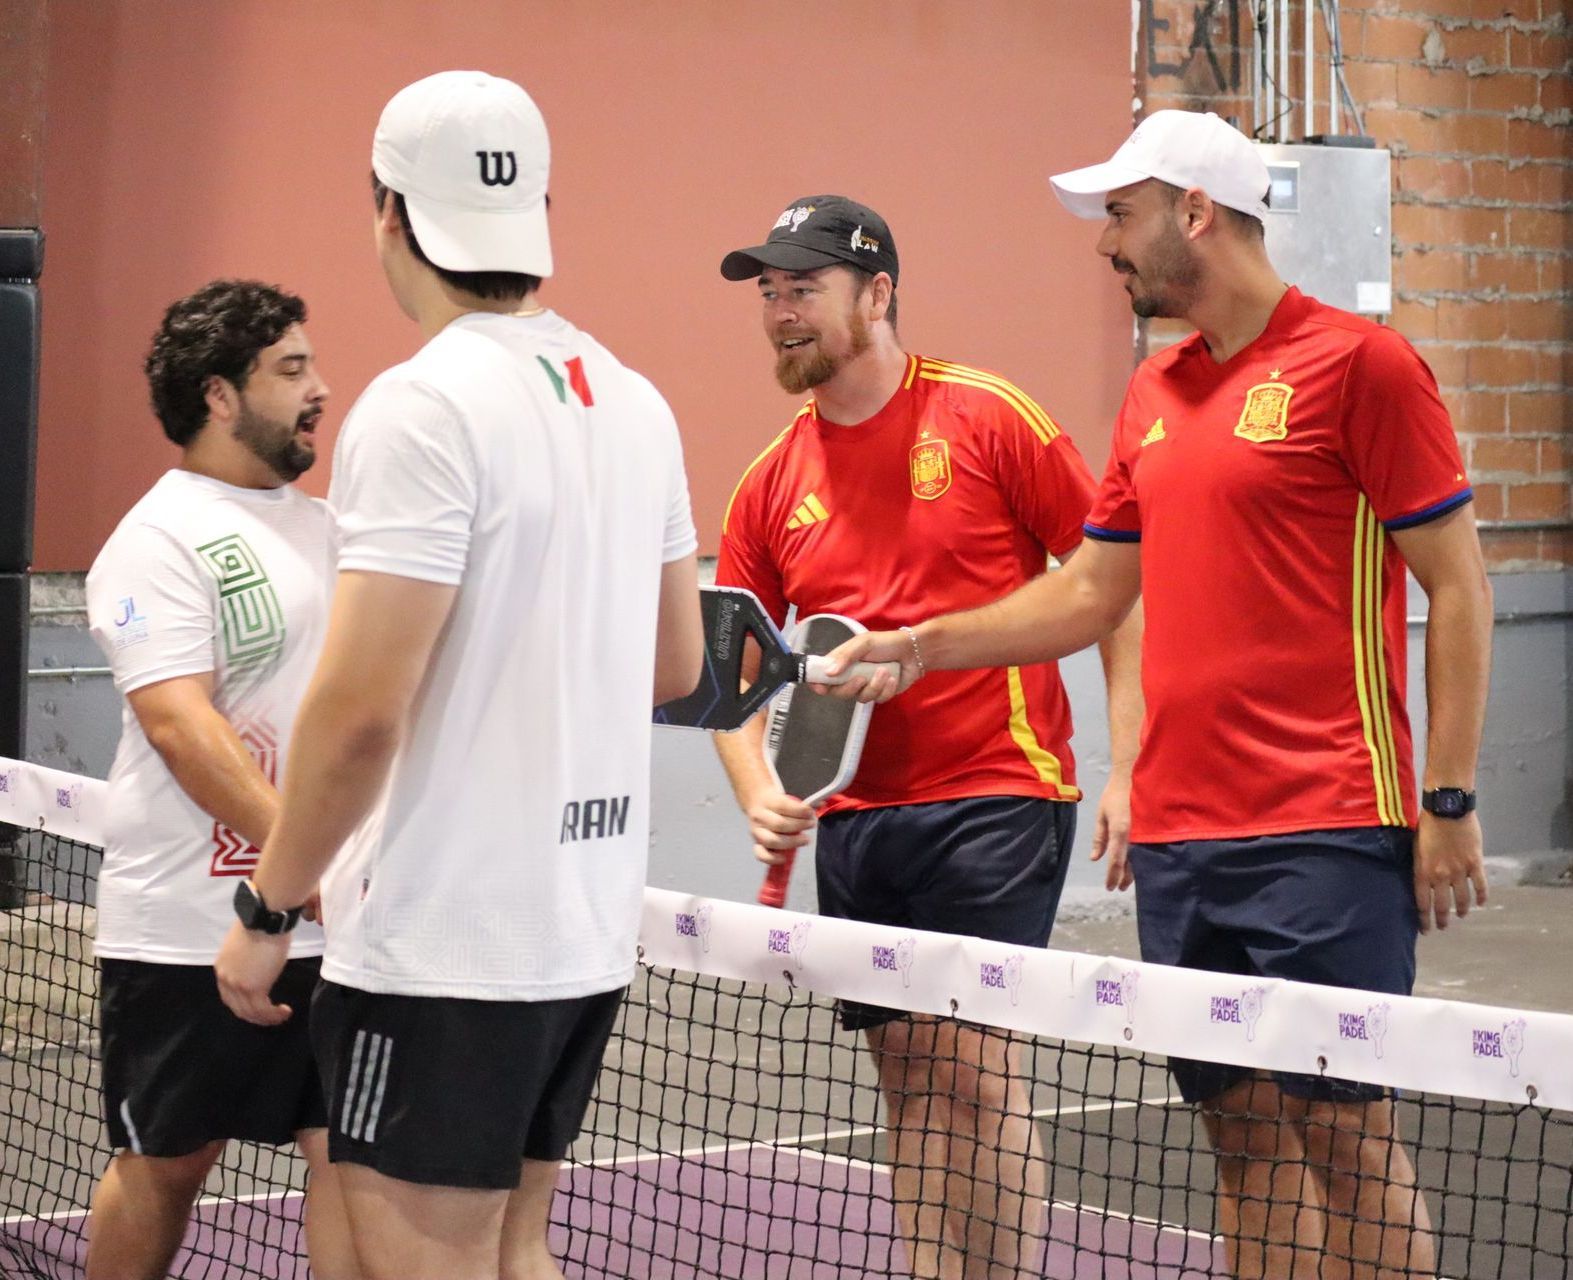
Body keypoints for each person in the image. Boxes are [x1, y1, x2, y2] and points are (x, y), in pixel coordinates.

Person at [827, 111, 1494, 1280]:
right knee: (1239, 1141)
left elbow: (1462, 586)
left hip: (1326, 825)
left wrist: (1445, 796)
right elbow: (1088, 591)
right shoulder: (1152, 391)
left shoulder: (1362, 365)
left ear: (1195, 210)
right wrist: (922, 643)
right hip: (1187, 841)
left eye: (1120, 216)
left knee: (1347, 1135)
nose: (1104, 246)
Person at [214, 71, 704, 1280]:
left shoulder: (420, 405)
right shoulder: (637, 402)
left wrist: (267, 909)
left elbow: (363, 709)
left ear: (388, 211)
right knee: (513, 1251)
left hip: (446, 945)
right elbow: (678, 661)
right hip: (580, 930)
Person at [714, 194, 1144, 1279]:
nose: (779, 313)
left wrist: (1131, 763)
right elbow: (729, 676)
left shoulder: (988, 416)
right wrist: (755, 786)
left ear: (877, 293)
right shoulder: (769, 482)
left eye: (801, 288)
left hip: (996, 795)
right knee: (905, 1073)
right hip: (858, 820)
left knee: (972, 1070)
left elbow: (1117, 592)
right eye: (768, 293)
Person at [83, 280, 356, 1280]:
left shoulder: (333, 530)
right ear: (219, 395)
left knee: (353, 1165)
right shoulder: (155, 540)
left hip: (341, 931)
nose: (320, 387)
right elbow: (180, 724)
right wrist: (300, 864)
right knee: (167, 1163)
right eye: (291, 369)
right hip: (187, 930)